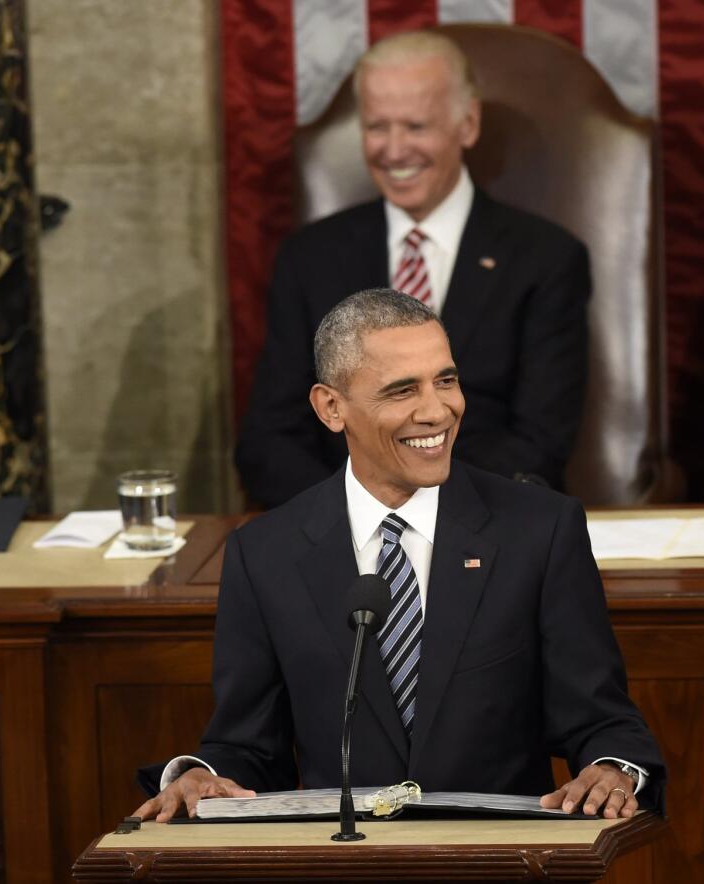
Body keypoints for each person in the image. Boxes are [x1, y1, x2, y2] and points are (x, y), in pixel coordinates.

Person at [136, 288, 664, 822]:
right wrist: (202, 776)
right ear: (331, 407)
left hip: (503, 859)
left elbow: (601, 720)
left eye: (447, 380)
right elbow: (250, 748)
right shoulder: (265, 553)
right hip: (345, 865)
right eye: (401, 390)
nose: (436, 411)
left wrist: (613, 768)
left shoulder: (540, 531)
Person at [236, 30, 590, 508]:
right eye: (377, 127)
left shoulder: (545, 258)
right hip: (339, 540)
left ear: (467, 124)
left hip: (484, 528)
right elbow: (270, 437)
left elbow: (539, 441)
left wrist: (421, 516)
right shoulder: (311, 256)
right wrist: (355, 519)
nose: (394, 149)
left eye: (416, 126)